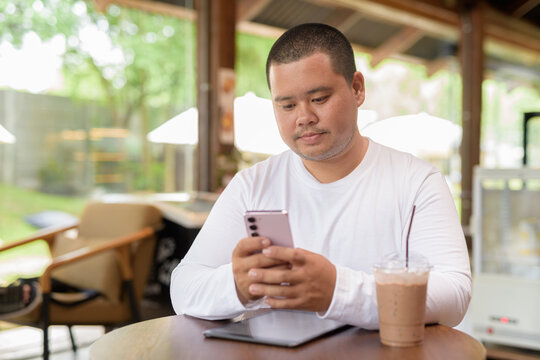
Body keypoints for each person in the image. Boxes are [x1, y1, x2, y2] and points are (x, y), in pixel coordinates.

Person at [170, 23, 471, 329]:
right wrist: (239, 284)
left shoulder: (416, 182)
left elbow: (454, 294)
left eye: (319, 99)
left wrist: (336, 292)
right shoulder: (251, 185)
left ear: (357, 88)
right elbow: (183, 288)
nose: (304, 118)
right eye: (287, 105)